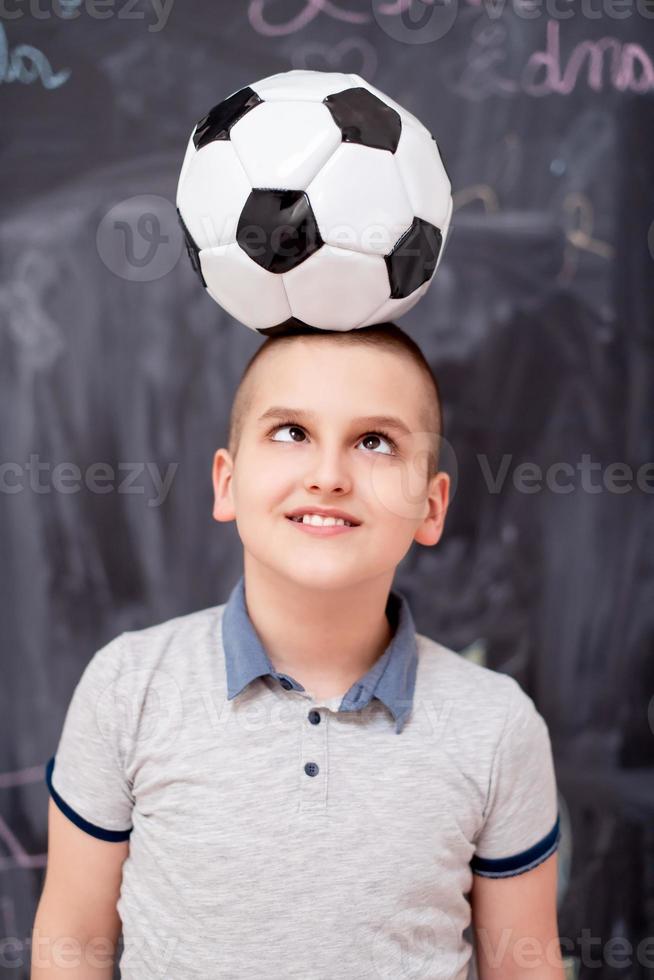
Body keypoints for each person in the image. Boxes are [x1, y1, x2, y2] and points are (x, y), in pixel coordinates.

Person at [32, 322, 564, 979]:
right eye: (292, 433)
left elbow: (524, 967)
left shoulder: (497, 727)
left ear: (431, 506)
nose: (328, 475)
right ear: (226, 483)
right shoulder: (127, 687)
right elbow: (71, 944)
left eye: (375, 442)